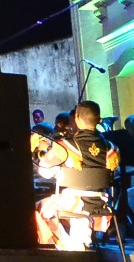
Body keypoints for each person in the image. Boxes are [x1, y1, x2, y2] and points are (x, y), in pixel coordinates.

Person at [32, 101, 120, 251]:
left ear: (77, 118)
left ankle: (66, 247)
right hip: (100, 203)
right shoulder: (112, 148)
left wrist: (41, 152)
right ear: (99, 120)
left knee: (38, 209)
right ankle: (75, 245)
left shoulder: (65, 146)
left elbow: (44, 172)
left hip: (73, 202)